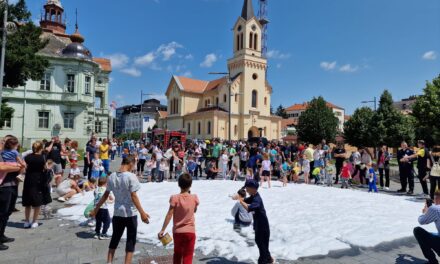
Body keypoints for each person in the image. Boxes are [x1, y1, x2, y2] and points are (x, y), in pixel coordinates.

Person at [91, 155, 150, 264]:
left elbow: (105, 195)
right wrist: (142, 213)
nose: (134, 167)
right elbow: (134, 196)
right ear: (131, 163)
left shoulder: (112, 176)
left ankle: (109, 262)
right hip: (130, 213)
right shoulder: (131, 176)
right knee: (131, 240)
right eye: (134, 164)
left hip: (117, 213)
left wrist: (96, 208)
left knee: (115, 238)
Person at [158, 173, 199, 264]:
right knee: (188, 256)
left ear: (179, 184)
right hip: (190, 232)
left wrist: (162, 230)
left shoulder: (175, 198)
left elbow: (169, 214)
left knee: (177, 254)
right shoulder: (194, 198)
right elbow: (194, 210)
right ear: (190, 185)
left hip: (178, 232)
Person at [238, 180, 273, 264]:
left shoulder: (257, 199)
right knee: (260, 242)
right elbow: (246, 200)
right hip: (258, 225)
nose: (246, 190)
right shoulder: (253, 196)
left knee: (262, 245)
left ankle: (264, 261)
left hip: (263, 226)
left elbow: (249, 208)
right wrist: (239, 197)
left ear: (253, 188)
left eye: (247, 188)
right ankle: (269, 259)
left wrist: (241, 201)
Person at [0, 136, 25, 251]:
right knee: (2, 213)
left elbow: (24, 165)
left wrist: (15, 166)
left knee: (8, 211)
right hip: (4, 186)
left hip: (13, 184)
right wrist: (17, 166)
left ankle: (2, 235)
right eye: (3, 141)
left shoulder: (12, 153)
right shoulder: (1, 153)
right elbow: (2, 167)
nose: (4, 143)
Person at [22, 141, 47, 229]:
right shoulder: (42, 158)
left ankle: (26, 221)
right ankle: (34, 221)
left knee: (28, 202)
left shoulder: (28, 157)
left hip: (28, 180)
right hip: (38, 180)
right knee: (37, 202)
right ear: (40, 148)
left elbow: (24, 168)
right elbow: (45, 168)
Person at [413, 190, 440, 264]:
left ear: (436, 198)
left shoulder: (435, 209)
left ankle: (432, 261)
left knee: (417, 231)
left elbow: (421, 221)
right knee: (434, 234)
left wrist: (425, 211)